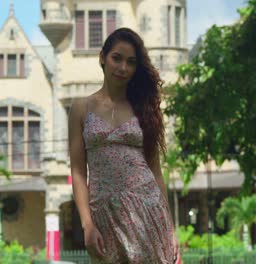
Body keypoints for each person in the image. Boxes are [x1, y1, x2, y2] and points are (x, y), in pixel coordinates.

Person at [68, 27, 179, 263]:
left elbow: (155, 170)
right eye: (116, 58)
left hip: (147, 209)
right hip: (104, 214)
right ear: (102, 58)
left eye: (130, 62)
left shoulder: (144, 108)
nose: (122, 68)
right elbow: (78, 171)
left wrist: (170, 229)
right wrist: (87, 224)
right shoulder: (81, 107)